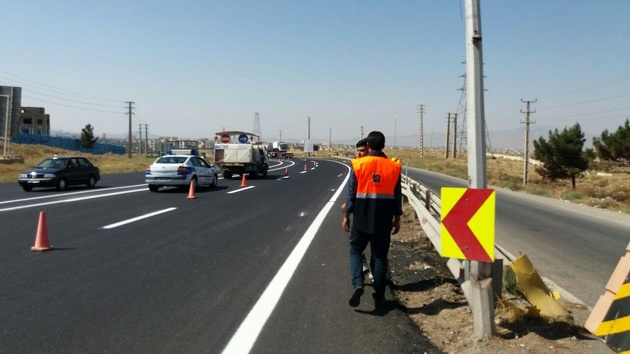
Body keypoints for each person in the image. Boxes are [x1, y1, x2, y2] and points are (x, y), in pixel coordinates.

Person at [342, 131, 402, 308]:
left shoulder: (359, 165)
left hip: (361, 219)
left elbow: (351, 196)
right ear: (383, 145)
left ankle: (358, 283)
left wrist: (346, 216)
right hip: (383, 221)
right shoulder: (393, 167)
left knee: (355, 250)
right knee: (380, 257)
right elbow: (397, 197)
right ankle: (379, 295)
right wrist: (397, 219)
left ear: (368, 146)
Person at [340, 138, 372, 282]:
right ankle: (365, 266)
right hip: (363, 211)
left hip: (370, 211)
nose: (359, 154)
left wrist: (347, 212)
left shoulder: (365, 167)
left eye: (362, 151)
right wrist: (347, 206)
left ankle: (364, 276)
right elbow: (352, 192)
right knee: (358, 243)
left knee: (359, 246)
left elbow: (352, 193)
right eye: (357, 151)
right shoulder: (357, 166)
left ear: (369, 150)